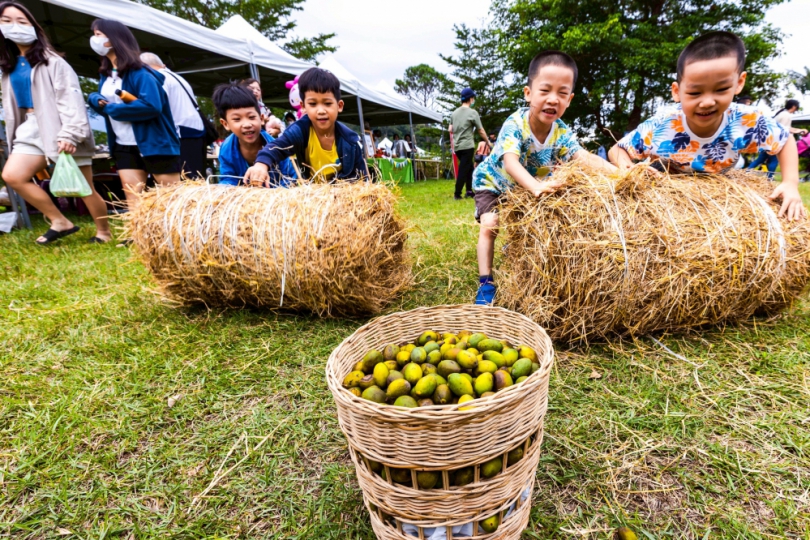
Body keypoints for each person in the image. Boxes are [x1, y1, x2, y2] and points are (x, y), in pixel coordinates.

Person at [609, 31, 805, 222]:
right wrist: (628, 170)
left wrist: (790, 182)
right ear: (677, 92)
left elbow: (784, 140)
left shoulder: (745, 120)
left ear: (739, 83)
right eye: (695, 93)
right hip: (668, 179)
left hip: (721, 186)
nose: (707, 102)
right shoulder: (663, 124)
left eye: (721, 89)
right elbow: (618, 149)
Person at [472, 51, 616, 305]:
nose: (553, 99)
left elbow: (582, 156)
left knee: (539, 222)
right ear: (528, 93)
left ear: (569, 99)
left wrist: (624, 173)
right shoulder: (515, 123)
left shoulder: (561, 132)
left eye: (562, 93)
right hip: (494, 182)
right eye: (545, 91)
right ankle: (486, 282)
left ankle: (514, 249)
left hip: (527, 186)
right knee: (491, 224)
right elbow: (510, 162)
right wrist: (537, 187)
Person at [0, 1, 111, 244]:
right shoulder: (8, 67)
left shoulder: (53, 61)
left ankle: (104, 232)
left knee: (83, 186)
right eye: (6, 21)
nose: (14, 26)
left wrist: (70, 134)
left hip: (61, 124)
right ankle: (60, 220)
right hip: (29, 126)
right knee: (12, 175)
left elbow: (70, 98)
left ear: (34, 27)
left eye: (22, 21)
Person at [87, 19, 180, 212]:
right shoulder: (106, 74)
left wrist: (111, 109)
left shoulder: (141, 74)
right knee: (133, 198)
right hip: (123, 144)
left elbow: (152, 106)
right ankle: (139, 238)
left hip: (155, 143)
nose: (93, 40)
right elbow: (104, 102)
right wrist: (95, 98)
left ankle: (176, 237)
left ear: (115, 39)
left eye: (98, 35)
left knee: (171, 198)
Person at [243, 67, 367, 185]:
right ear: (303, 106)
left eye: (328, 103)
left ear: (339, 106)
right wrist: (261, 163)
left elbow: (362, 178)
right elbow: (276, 147)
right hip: (312, 195)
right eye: (313, 104)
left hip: (341, 196)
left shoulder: (350, 141)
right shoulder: (300, 131)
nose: (321, 111)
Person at [211, 82, 294, 186]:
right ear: (226, 124)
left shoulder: (277, 146)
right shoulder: (226, 149)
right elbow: (228, 179)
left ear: (261, 118)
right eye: (237, 119)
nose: (247, 124)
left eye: (251, 117)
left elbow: (289, 178)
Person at [139, 52, 206, 179]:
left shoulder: (158, 78)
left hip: (180, 133)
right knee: (196, 177)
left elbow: (156, 106)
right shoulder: (177, 77)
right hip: (196, 130)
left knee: (185, 179)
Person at [747, 99, 808, 179]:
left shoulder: (781, 114)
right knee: (774, 161)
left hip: (768, 140)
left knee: (760, 159)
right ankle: (770, 177)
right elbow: (785, 129)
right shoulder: (786, 115)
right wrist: (800, 130)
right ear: (794, 107)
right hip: (775, 142)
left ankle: (746, 172)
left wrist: (798, 130)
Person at [450, 88, 490, 199]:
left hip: (457, 147)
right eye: (473, 98)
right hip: (467, 146)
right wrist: (488, 142)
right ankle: (457, 194)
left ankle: (469, 191)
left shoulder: (454, 113)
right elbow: (481, 130)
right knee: (463, 169)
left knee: (469, 168)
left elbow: (450, 129)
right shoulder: (472, 113)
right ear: (470, 99)